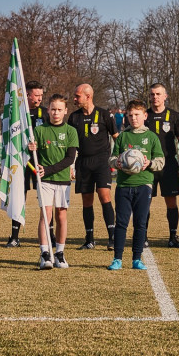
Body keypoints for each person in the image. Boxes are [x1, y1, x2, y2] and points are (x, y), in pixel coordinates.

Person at [108, 100, 164, 270]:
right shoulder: (122, 136)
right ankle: (117, 259)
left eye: (137, 115)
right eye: (130, 115)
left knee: (140, 223)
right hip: (124, 185)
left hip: (144, 185)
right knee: (121, 223)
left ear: (145, 116)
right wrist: (117, 162)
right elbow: (112, 158)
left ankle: (137, 259)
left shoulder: (152, 137)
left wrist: (149, 163)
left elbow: (160, 161)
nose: (133, 118)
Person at [29, 94, 78, 269]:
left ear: (65, 111)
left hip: (63, 180)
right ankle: (45, 254)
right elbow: (31, 156)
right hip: (45, 181)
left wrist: (48, 169)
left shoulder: (71, 131)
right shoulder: (39, 131)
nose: (56, 113)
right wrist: (30, 149)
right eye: (53, 109)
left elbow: (69, 158)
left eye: (59, 110)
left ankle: (60, 253)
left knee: (61, 216)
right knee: (46, 215)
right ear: (48, 110)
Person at [67, 83, 118, 250]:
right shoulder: (74, 117)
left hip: (102, 162)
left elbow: (116, 137)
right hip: (83, 163)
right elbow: (70, 144)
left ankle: (112, 237)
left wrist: (119, 157)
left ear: (88, 96)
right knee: (87, 200)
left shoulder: (104, 115)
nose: (74, 99)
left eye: (77, 96)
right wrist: (70, 165)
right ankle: (89, 239)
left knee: (104, 195)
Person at [145, 83, 179, 248]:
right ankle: (143, 236)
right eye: (152, 94)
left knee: (171, 202)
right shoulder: (145, 116)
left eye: (158, 94)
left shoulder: (174, 115)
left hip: (169, 164)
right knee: (145, 201)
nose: (155, 97)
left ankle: (173, 236)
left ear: (165, 96)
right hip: (148, 165)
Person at [9, 80, 45, 247]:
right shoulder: (18, 113)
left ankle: (49, 235)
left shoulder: (45, 113)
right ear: (27, 95)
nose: (39, 98)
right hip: (21, 161)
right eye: (36, 95)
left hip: (40, 161)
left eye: (41, 95)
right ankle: (14, 237)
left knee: (44, 198)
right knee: (19, 196)